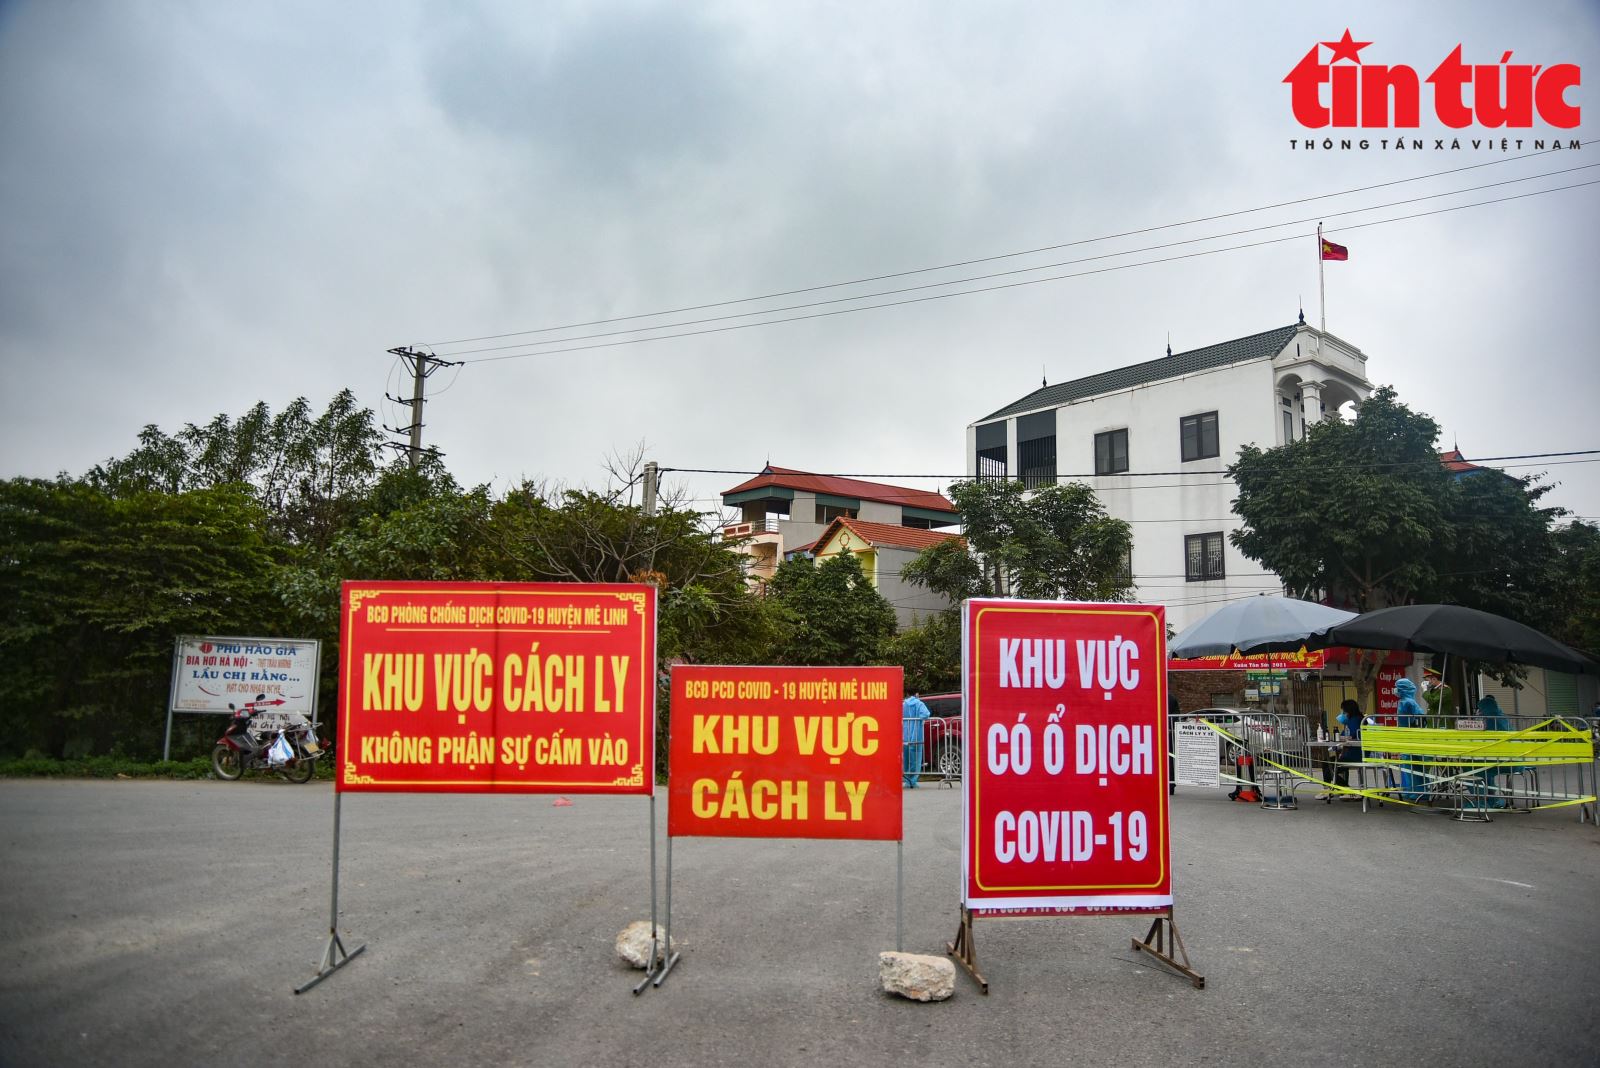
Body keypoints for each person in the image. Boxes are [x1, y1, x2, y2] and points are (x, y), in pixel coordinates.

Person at [1394, 676, 1426, 799]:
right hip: (1409, 736)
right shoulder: (1407, 701)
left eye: (1397, 687)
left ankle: (1418, 791)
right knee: (1410, 766)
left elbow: (1418, 718)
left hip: (1410, 736)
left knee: (1412, 766)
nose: (1395, 690)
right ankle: (1414, 790)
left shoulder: (1407, 702)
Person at [1330, 699, 1364, 793]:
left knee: (1329, 765)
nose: (1342, 714)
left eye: (1343, 712)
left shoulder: (1355, 721)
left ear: (1348, 711)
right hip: (1357, 754)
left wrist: (1339, 738)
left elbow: (1349, 736)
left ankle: (1344, 788)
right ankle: (1342, 788)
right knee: (1330, 762)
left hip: (1355, 755)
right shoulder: (1356, 719)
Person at [902, 693, 931, 788]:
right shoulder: (919, 704)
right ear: (916, 695)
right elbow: (926, 714)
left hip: (905, 735)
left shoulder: (903, 705)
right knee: (916, 759)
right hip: (916, 734)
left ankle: (907, 780)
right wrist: (919, 719)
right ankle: (913, 781)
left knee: (906, 759)